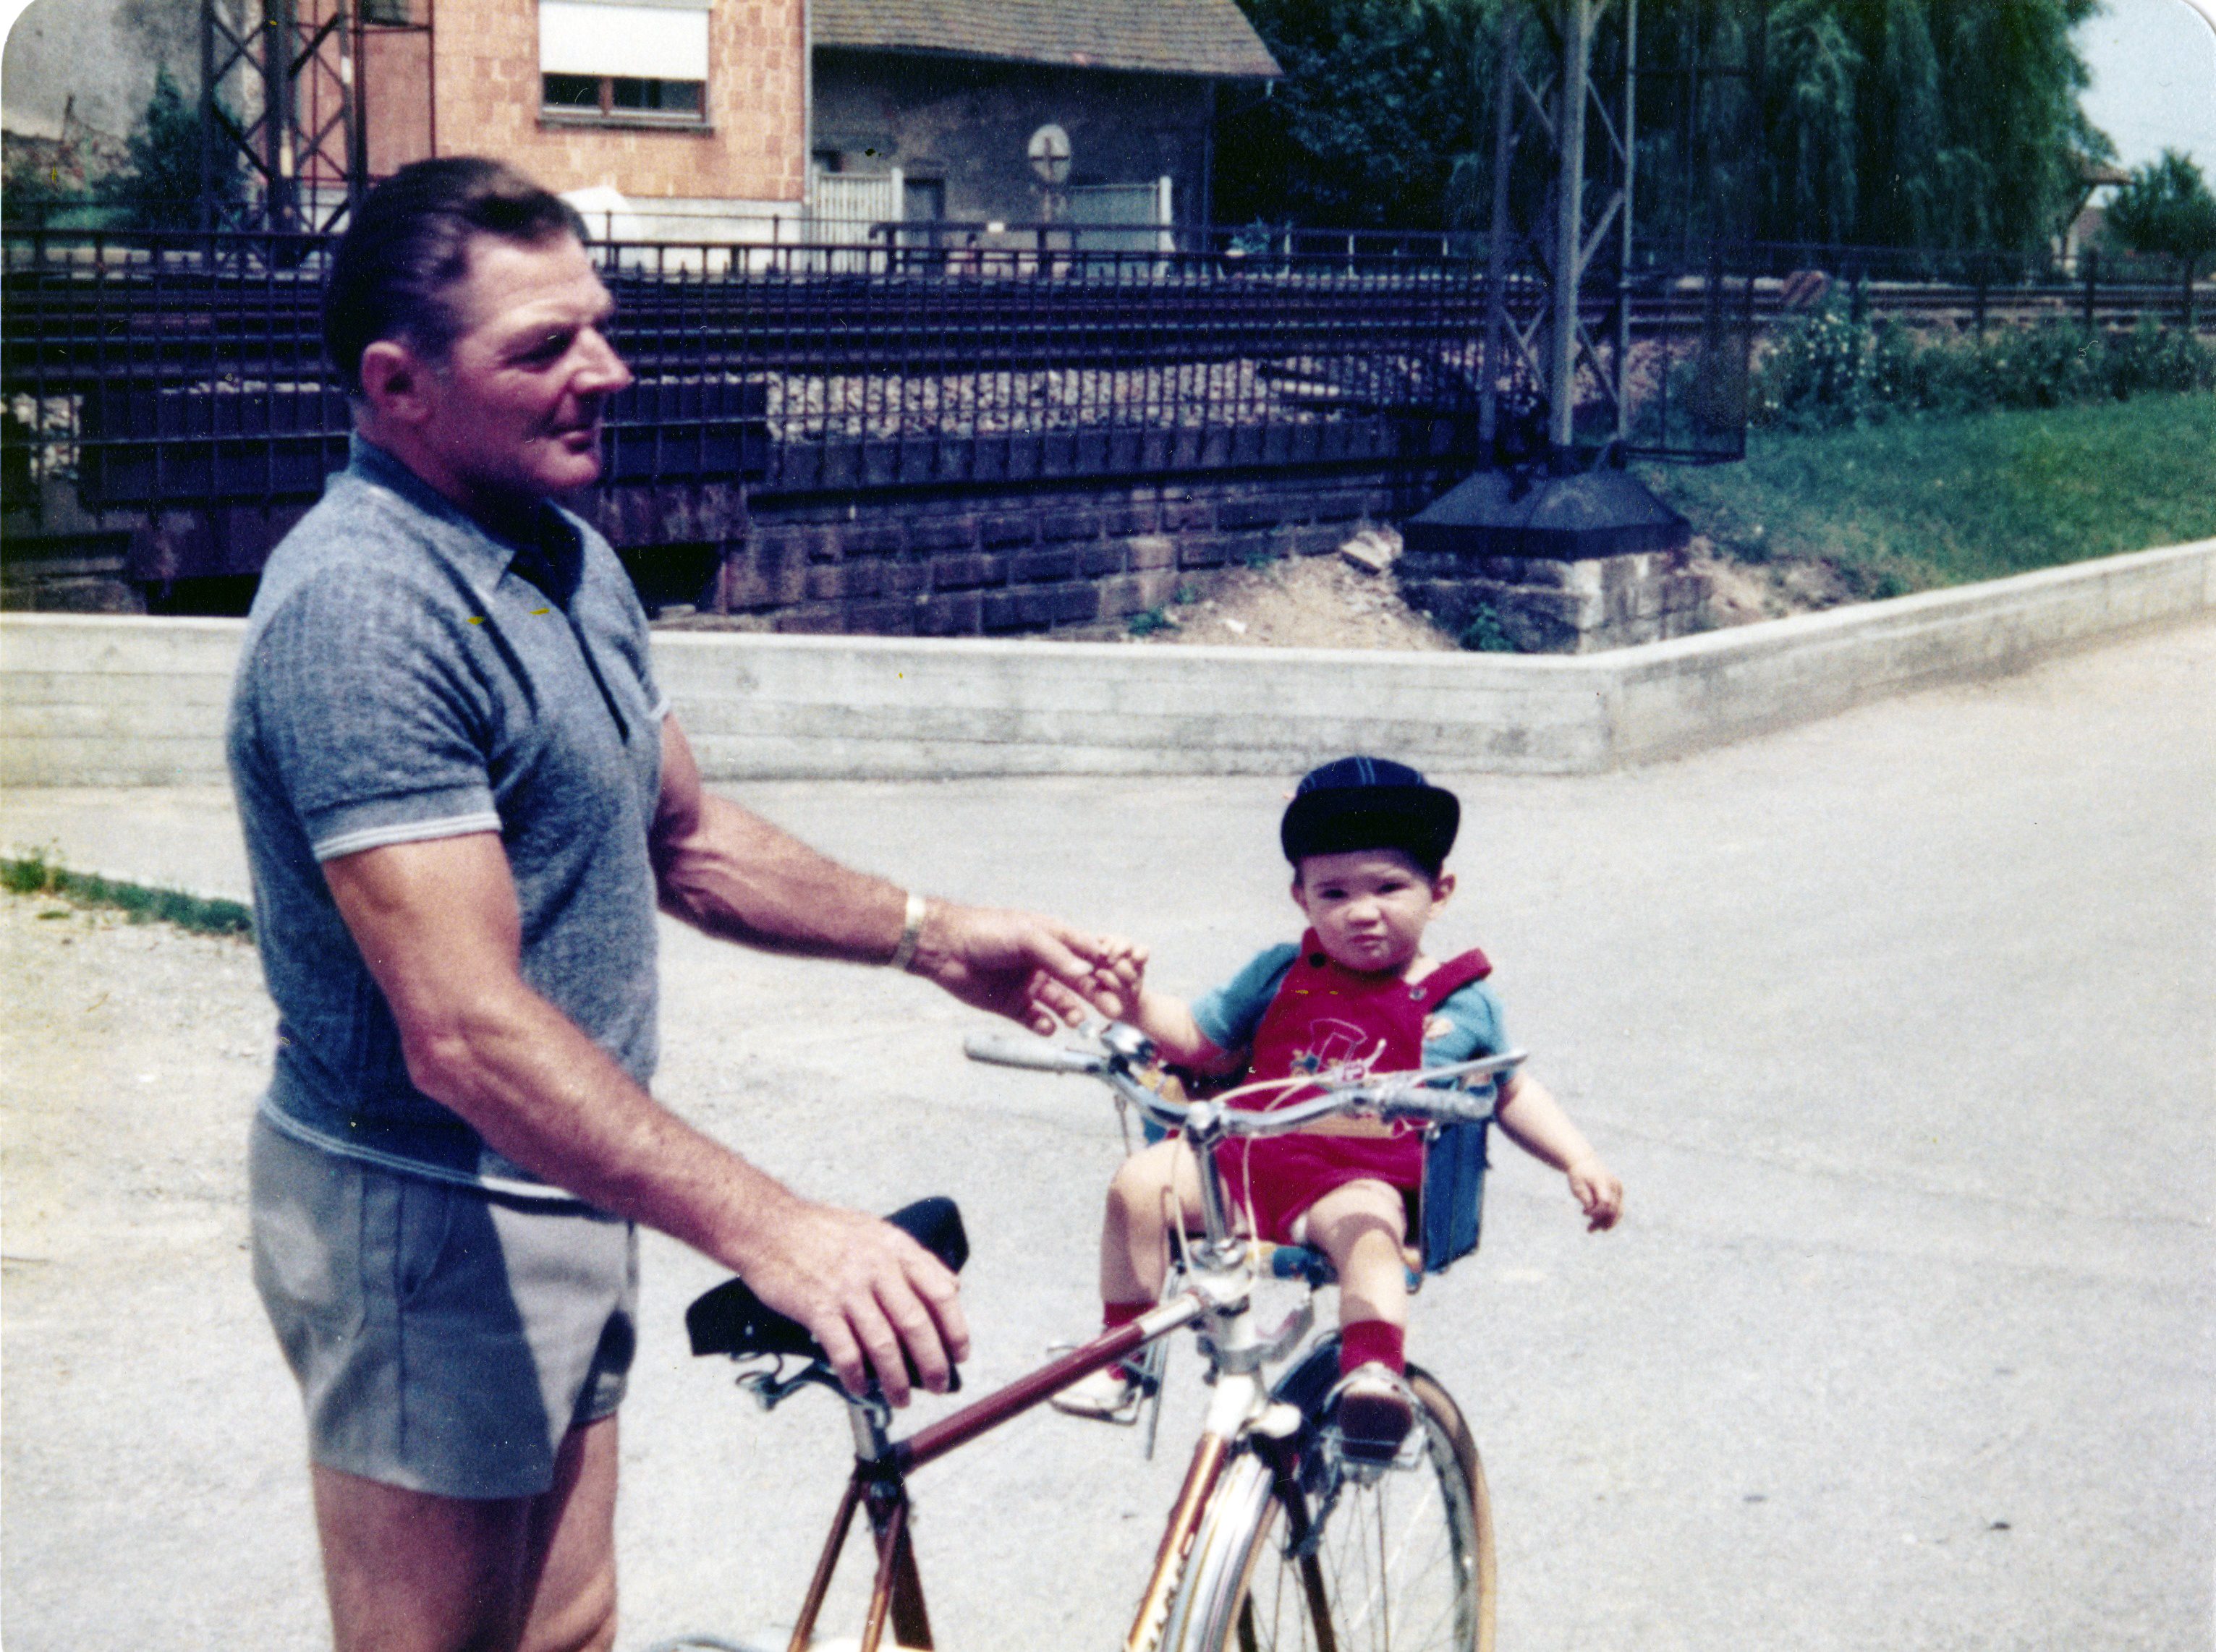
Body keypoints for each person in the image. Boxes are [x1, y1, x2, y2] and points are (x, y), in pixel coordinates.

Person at [226, 156, 1137, 1652]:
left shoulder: (558, 549)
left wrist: (929, 930)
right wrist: (775, 1228)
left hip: (565, 1172)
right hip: (427, 1216)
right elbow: (459, 1029)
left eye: (597, 323)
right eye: (543, 347)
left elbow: (687, 834)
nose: (608, 369)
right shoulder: (365, 609)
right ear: (397, 384)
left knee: (569, 1625)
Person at [1051, 756, 1623, 1456]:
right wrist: (1136, 1003)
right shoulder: (1278, 971)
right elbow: (1200, 1040)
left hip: (1357, 1179)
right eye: (1335, 892)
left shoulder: (1458, 999)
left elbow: (1511, 1089)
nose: (1362, 911)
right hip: (1248, 1157)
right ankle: (1123, 1358)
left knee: (1372, 1242)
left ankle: (1372, 1377)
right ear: (1302, 899)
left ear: (1438, 891)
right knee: (1138, 1185)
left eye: (1389, 886)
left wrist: (1578, 1155)